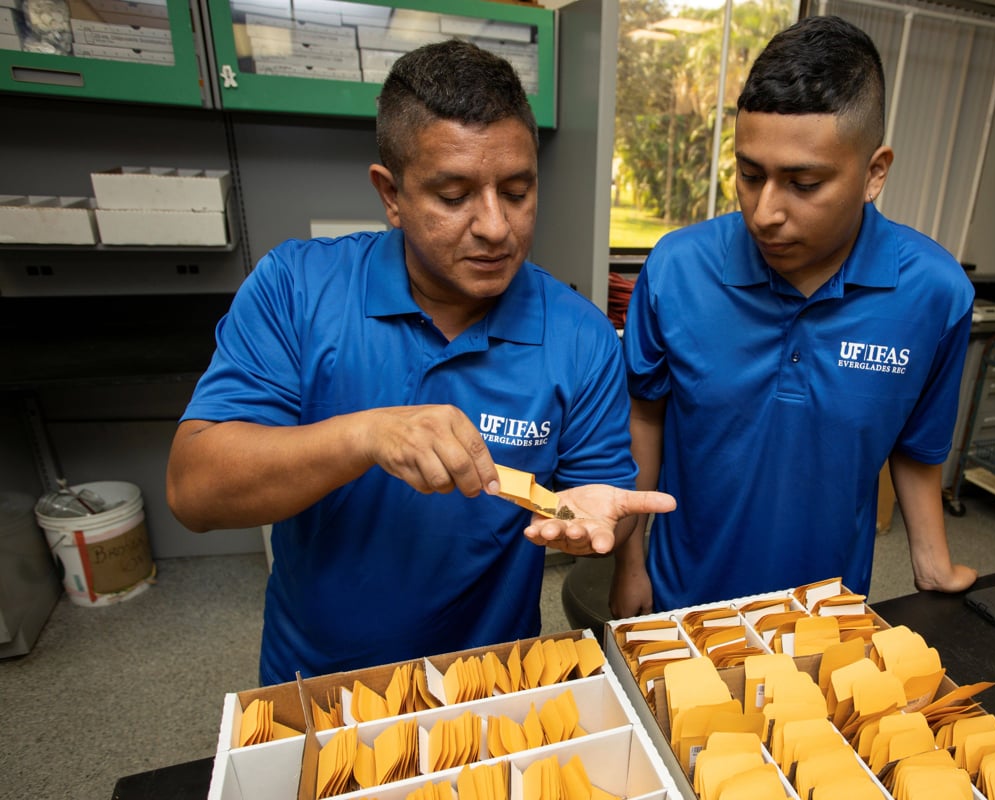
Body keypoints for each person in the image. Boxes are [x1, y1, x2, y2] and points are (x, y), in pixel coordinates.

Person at [165, 40, 675, 685]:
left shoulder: (579, 336)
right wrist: (364, 436)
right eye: (454, 196)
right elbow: (194, 493)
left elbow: (595, 505)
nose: (496, 227)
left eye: (517, 191)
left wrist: (591, 526)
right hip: (317, 678)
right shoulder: (297, 288)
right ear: (391, 194)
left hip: (492, 677)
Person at [610, 15, 977, 617]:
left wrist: (931, 558)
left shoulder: (935, 294)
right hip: (683, 600)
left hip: (826, 609)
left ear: (874, 173)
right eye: (749, 175)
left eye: (803, 183)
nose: (765, 213)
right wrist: (631, 565)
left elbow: (917, 443)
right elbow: (644, 417)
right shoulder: (677, 269)